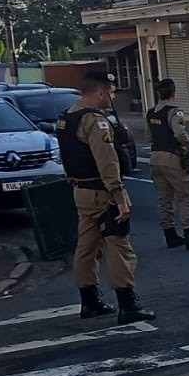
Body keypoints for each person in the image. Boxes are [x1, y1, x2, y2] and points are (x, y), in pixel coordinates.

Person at [56, 69, 154, 324]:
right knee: (119, 247)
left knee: (87, 247)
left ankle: (90, 301)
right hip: (102, 193)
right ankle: (128, 305)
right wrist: (120, 197)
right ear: (100, 92)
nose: (112, 97)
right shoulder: (94, 120)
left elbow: (67, 157)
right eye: (111, 92)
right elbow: (107, 162)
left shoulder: (67, 116)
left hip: (81, 190)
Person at [146, 78, 189, 251]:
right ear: (173, 93)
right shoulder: (174, 112)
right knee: (187, 195)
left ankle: (170, 235)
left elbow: (149, 137)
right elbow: (179, 133)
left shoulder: (150, 113)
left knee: (165, 199)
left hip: (155, 157)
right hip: (173, 157)